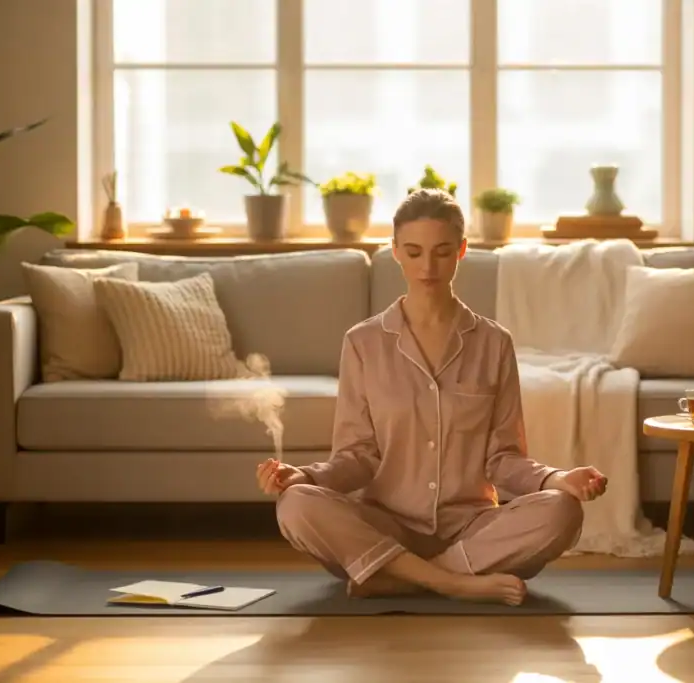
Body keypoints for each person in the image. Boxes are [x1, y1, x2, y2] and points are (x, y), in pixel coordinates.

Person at [256, 189, 608, 606]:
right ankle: (453, 582)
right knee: (295, 505)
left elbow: (504, 459)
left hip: (470, 530)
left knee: (562, 511)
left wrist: (558, 480)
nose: (427, 267)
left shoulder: (493, 343)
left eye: (442, 252)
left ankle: (399, 577)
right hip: (384, 528)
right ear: (395, 251)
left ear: (461, 251)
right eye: (414, 252)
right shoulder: (363, 343)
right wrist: (305, 478)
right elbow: (357, 456)